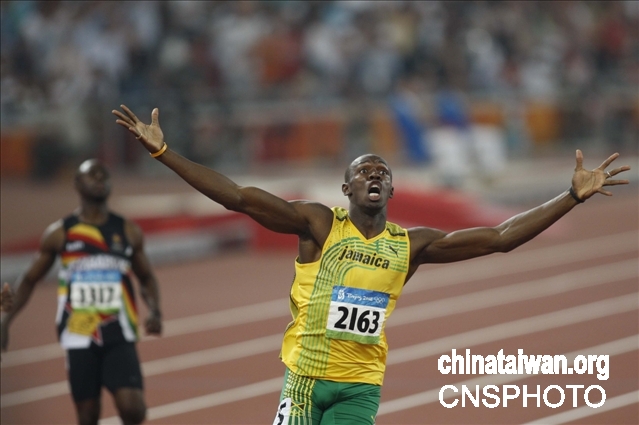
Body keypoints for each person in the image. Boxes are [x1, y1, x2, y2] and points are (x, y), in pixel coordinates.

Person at [112, 105, 630, 425]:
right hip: (305, 380)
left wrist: (570, 197)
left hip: (360, 386)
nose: (374, 175)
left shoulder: (410, 245)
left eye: (382, 172)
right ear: (346, 188)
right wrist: (165, 153)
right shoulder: (319, 224)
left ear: (392, 190)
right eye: (364, 171)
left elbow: (499, 238)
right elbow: (239, 197)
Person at [0, 159, 163, 425]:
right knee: (87, 416)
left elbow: (146, 277)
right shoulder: (60, 233)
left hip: (118, 332)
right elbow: (29, 279)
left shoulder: (127, 231)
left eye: (104, 175)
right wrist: (5, 320)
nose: (100, 179)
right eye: (92, 175)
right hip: (78, 333)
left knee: (133, 408)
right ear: (77, 183)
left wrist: (155, 309)